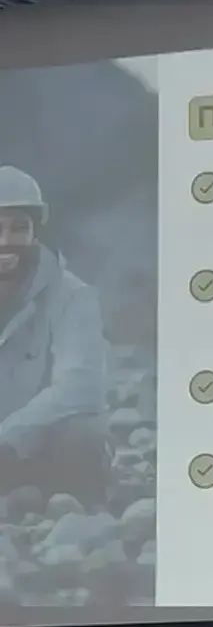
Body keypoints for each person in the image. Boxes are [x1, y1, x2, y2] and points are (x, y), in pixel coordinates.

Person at [0, 165, 107, 505]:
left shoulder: (73, 296)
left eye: (19, 228)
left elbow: (81, 386)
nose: (5, 241)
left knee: (84, 431)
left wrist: (8, 439)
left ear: (36, 233)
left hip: (37, 449)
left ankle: (67, 511)